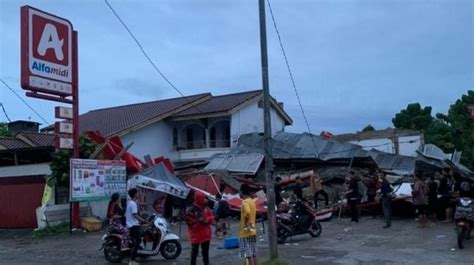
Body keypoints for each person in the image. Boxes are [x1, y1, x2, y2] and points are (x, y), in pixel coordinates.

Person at [186, 191, 215, 265]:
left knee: (205, 253)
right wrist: (204, 220)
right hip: (195, 234)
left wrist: (207, 220)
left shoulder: (206, 208)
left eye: (205, 198)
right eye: (203, 198)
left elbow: (211, 218)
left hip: (205, 234)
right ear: (198, 198)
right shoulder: (191, 209)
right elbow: (189, 221)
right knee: (194, 253)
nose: (205, 200)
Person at [125, 188, 148, 265]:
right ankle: (132, 260)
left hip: (131, 225)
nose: (138, 194)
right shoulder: (133, 204)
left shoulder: (130, 203)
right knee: (138, 241)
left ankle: (142, 254)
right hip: (133, 226)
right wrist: (143, 221)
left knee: (142, 236)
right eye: (137, 193)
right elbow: (135, 215)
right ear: (135, 194)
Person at [239, 184, 258, 265]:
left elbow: (247, 212)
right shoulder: (252, 201)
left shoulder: (245, 202)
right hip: (252, 229)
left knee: (248, 255)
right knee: (254, 252)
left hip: (245, 231)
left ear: (242, 192)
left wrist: (246, 222)